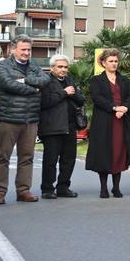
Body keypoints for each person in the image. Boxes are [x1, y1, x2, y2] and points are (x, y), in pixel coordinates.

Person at [0, 35, 48, 204]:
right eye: (23, 49)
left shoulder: (34, 66)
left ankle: (23, 191)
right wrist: (34, 89)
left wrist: (25, 80)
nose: (26, 53)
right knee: (3, 157)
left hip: (30, 120)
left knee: (27, 157)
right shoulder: (1, 66)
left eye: (29, 50)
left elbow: (45, 80)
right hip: (7, 118)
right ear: (13, 49)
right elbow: (8, 84)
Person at [86, 49, 130, 198]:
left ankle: (116, 188)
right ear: (103, 63)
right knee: (104, 153)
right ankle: (104, 188)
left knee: (119, 153)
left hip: (122, 122)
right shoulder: (97, 80)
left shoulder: (124, 80)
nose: (114, 63)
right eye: (111, 61)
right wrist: (114, 108)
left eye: (116, 61)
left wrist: (125, 108)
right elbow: (97, 98)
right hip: (104, 122)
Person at [38, 54, 85, 199]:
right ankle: (47, 189)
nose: (63, 70)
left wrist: (72, 93)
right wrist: (64, 93)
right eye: (60, 67)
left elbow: (81, 100)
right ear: (52, 68)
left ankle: (63, 188)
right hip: (51, 127)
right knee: (50, 161)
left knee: (68, 160)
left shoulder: (70, 81)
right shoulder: (45, 81)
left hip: (69, 127)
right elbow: (44, 102)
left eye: (65, 67)